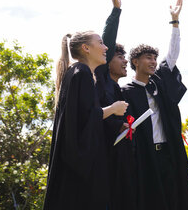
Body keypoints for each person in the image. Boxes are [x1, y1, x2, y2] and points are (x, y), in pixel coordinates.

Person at [121, 0, 188, 210]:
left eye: (155, 57)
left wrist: (175, 23)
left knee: (172, 199)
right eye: (148, 57)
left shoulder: (159, 83)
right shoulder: (125, 92)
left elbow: (172, 56)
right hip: (143, 156)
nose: (153, 61)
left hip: (167, 152)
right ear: (135, 62)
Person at [44, 28, 128, 209]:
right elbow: (85, 118)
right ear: (86, 48)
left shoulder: (79, 73)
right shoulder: (80, 72)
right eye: (100, 43)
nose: (106, 48)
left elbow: (85, 116)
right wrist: (113, 109)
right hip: (81, 172)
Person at [94, 0, 137, 210]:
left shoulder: (121, 90)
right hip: (102, 160)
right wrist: (116, 11)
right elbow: (108, 42)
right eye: (120, 56)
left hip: (121, 162)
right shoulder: (99, 80)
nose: (125, 61)